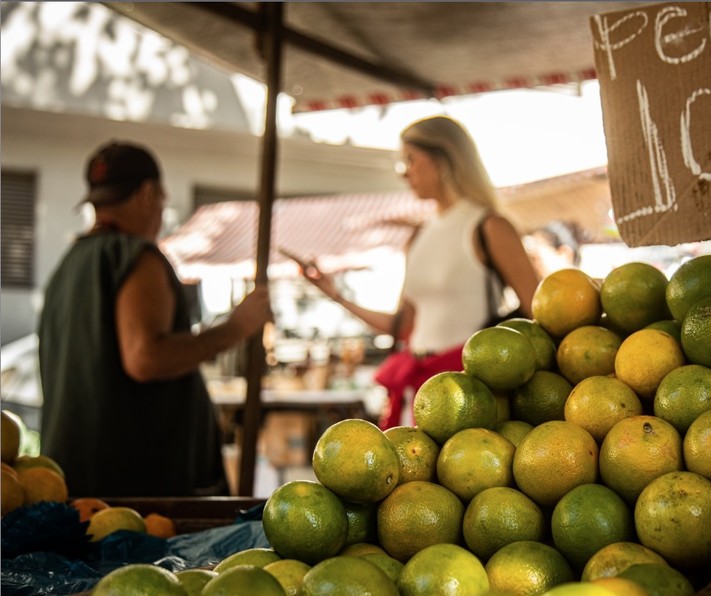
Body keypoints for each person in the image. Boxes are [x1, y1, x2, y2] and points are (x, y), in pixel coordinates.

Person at [38, 141, 273, 497]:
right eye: (163, 200)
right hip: (135, 490)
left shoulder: (69, 263)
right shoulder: (134, 256)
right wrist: (236, 328)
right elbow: (145, 357)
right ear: (148, 194)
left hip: (74, 477)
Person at [295, 115, 540, 429]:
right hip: (421, 392)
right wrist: (336, 296)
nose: (404, 173)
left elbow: (538, 310)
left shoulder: (489, 227)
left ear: (442, 158)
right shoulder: (419, 236)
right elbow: (402, 326)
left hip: (472, 393)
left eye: (410, 160)